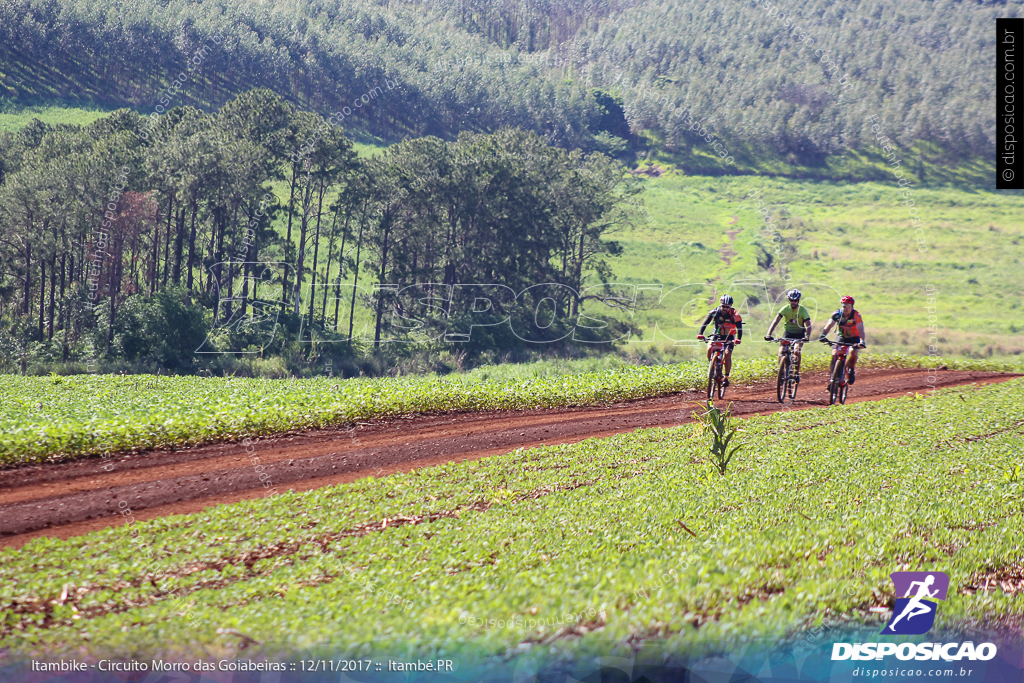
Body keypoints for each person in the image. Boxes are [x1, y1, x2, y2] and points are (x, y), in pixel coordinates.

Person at [764, 289, 812, 383]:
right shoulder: (785, 309)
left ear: (798, 301)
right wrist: (768, 334)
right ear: (789, 300)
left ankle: (796, 373)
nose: (793, 302)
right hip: (788, 333)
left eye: (795, 301)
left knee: (796, 351)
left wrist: (807, 336)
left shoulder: (802, 310)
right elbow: (775, 321)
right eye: (791, 300)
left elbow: (808, 325)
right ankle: (781, 372)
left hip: (799, 335)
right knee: (781, 351)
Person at [818, 295, 866, 386]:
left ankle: (851, 369)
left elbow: (861, 330)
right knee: (834, 354)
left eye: (848, 306)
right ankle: (832, 379)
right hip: (842, 336)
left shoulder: (856, 315)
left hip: (854, 338)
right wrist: (823, 335)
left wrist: (862, 341)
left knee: (853, 352)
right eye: (844, 306)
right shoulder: (837, 314)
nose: (846, 309)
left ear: (852, 307)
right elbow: (829, 325)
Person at [697, 294, 743, 387]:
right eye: (723, 306)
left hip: (729, 336)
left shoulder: (736, 315)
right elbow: (705, 323)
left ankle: (726, 377)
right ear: (720, 304)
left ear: (730, 306)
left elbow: (740, 329)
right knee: (709, 347)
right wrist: (700, 333)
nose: (725, 309)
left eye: (727, 307)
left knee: (727, 353)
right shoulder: (714, 312)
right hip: (717, 334)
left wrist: (738, 339)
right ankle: (712, 366)